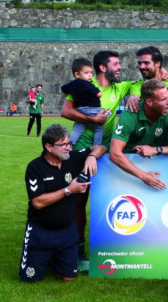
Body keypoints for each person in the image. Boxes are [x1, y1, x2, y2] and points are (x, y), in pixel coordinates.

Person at [61, 49, 139, 272]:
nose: (120, 67)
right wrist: (91, 118)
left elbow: (138, 86)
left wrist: (134, 95)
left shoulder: (120, 87)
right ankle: (77, 251)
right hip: (80, 152)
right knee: (78, 203)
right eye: (116, 64)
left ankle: (111, 250)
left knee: (109, 202)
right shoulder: (84, 82)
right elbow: (66, 111)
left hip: (106, 155)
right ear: (103, 68)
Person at [19, 124, 106, 282]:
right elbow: (38, 202)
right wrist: (69, 190)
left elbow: (100, 147)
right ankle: (47, 256)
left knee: (69, 278)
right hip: (40, 231)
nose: (68, 148)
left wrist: (92, 156)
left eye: (69, 143)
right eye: (63, 145)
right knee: (29, 279)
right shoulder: (35, 167)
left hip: (67, 232)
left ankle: (55, 257)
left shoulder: (72, 158)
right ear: (49, 147)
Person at [110, 80, 168, 190]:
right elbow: (114, 154)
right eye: (163, 99)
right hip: (128, 170)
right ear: (149, 102)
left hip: (159, 166)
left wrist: (156, 150)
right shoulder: (129, 115)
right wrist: (144, 176)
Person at [61, 58, 106, 146]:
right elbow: (99, 94)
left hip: (80, 110)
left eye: (91, 73)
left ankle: (70, 145)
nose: (90, 75)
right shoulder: (88, 84)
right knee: (99, 129)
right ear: (77, 74)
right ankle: (97, 146)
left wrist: (70, 95)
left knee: (78, 129)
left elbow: (63, 89)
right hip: (94, 109)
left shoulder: (72, 84)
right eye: (86, 73)